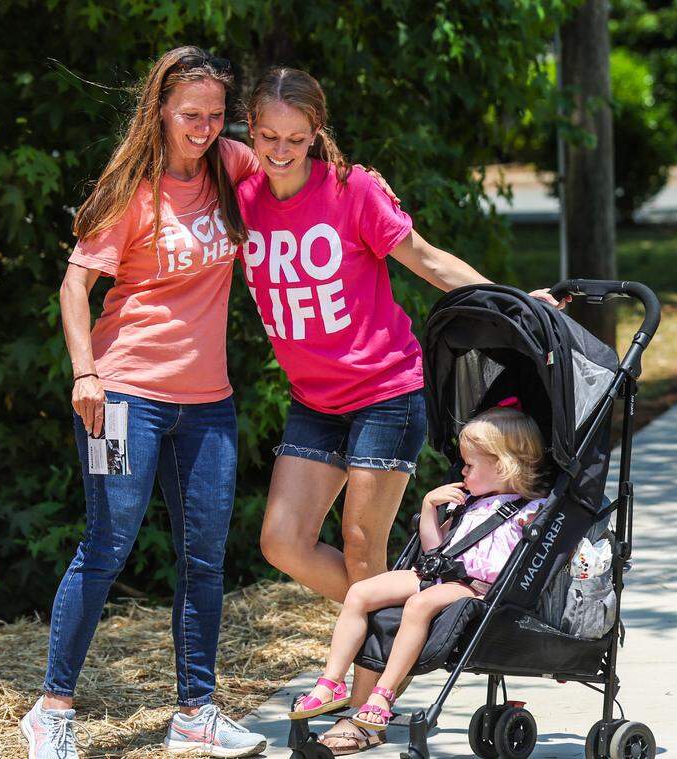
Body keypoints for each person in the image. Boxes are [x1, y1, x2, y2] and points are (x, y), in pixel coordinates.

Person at [236, 69, 560, 752]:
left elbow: (428, 259)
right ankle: (408, 613)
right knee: (282, 541)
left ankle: (365, 710)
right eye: (268, 136)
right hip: (313, 400)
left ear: (317, 132)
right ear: (250, 129)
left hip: (385, 389)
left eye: (297, 137)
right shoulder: (241, 191)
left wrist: (517, 305)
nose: (282, 149)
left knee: (360, 545)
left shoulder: (354, 190)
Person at [20, 46, 268, 759]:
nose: (204, 127)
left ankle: (195, 714)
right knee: (107, 544)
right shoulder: (130, 187)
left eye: (217, 116)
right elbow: (75, 287)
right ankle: (52, 709)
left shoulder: (232, 163)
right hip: (123, 395)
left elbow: (297, 167)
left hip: (208, 406)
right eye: (192, 115)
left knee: (205, 559)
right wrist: (85, 375)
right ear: (160, 108)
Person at [289, 406, 548, 730]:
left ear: (501, 465)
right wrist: (429, 506)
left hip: (474, 586)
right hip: (438, 574)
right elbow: (434, 550)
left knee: (419, 604)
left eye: (469, 465)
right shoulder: (467, 502)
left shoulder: (530, 511)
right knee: (359, 592)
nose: (462, 473)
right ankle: (331, 682)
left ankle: (383, 694)